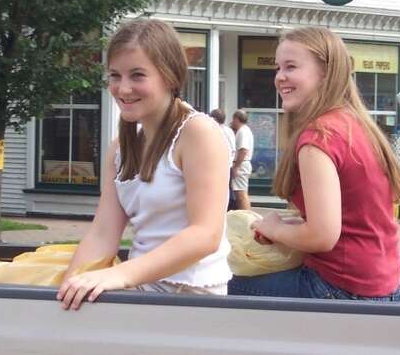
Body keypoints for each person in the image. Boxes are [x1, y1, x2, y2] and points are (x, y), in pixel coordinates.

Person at [57, 19, 232, 310]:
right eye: (115, 75)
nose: (123, 88)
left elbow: (205, 235)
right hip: (142, 288)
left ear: (170, 76)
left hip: (190, 296)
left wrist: (120, 274)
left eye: (137, 75)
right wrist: (69, 287)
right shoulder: (121, 146)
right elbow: (102, 234)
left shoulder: (198, 133)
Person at [228, 27, 400, 301]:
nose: (279, 77)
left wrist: (273, 228)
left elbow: (322, 236)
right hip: (385, 286)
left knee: (219, 282)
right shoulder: (355, 125)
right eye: (277, 68)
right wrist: (285, 226)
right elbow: (349, 218)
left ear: (326, 73)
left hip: (339, 287)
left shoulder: (318, 138)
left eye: (291, 67)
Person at [210, 109, 237, 210]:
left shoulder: (216, 130)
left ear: (214, 119)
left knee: (221, 189)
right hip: (228, 164)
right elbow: (233, 149)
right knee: (227, 188)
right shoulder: (229, 130)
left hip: (220, 165)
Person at [230, 109, 254, 211]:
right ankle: (245, 215)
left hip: (242, 164)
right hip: (243, 164)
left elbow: (243, 150)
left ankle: (246, 216)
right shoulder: (245, 130)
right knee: (240, 193)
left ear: (236, 119)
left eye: (233, 119)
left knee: (241, 193)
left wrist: (236, 167)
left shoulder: (242, 131)